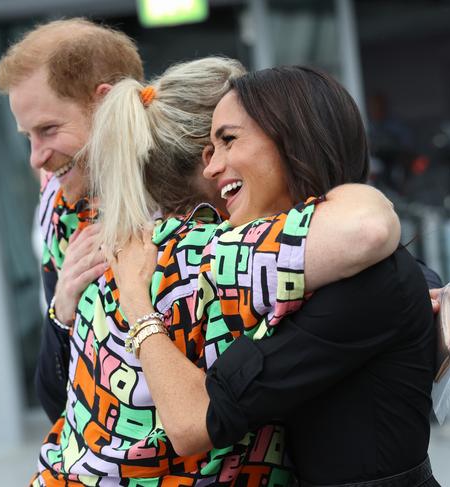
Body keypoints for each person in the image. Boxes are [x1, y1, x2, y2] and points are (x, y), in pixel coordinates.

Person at [27, 57, 408, 486]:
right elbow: (368, 228)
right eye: (223, 139)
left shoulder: (120, 243)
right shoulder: (219, 254)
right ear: (208, 157)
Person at [110, 66, 450, 486]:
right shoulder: (275, 265)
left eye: (228, 141)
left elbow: (193, 420)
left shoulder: (362, 280)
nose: (213, 169)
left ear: (292, 139)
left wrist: (137, 304)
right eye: (206, 151)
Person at [0, 18, 143, 422]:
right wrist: (62, 311)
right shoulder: (59, 213)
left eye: (48, 129)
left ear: (105, 103)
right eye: (28, 136)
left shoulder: (204, 188)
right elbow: (54, 402)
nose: (35, 157)